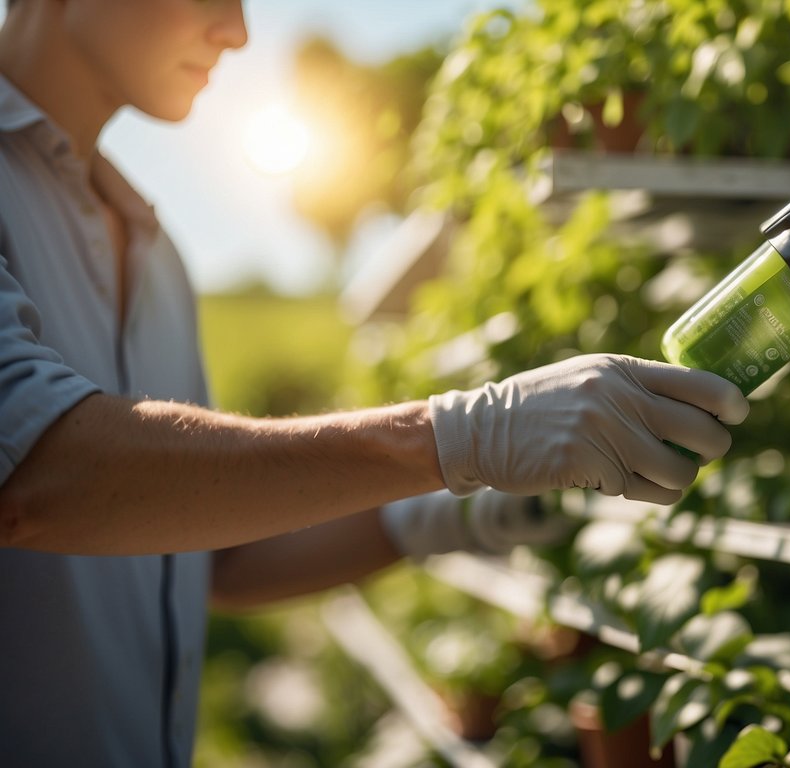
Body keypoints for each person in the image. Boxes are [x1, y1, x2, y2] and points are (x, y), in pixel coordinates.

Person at [0, 0, 749, 765]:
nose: (237, 31)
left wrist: (442, 516)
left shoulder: (157, 254)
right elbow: (34, 475)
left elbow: (214, 558)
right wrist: (462, 434)